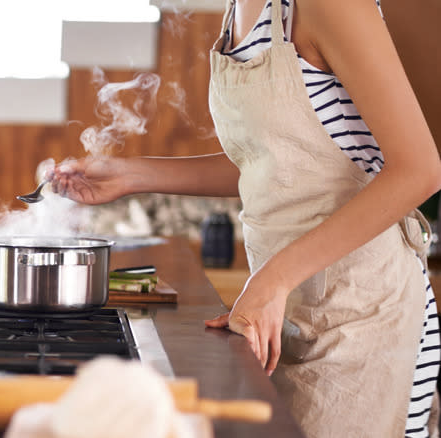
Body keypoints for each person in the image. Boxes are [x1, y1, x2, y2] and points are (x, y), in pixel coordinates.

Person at [47, 0, 441, 436]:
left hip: (365, 316)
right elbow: (272, 163)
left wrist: (273, 279)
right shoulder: (240, 10)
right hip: (286, 312)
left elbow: (419, 171)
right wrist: (132, 174)